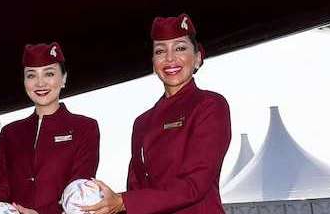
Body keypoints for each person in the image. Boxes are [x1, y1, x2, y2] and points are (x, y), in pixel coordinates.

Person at [82, 15, 231, 214]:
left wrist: (123, 202)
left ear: (197, 58)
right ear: (154, 64)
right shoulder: (142, 122)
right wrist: (101, 206)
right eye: (160, 51)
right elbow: (135, 188)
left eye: (180, 48)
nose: (170, 58)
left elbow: (195, 184)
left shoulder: (210, 105)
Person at [0, 43, 100, 214]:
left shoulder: (85, 128)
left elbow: (80, 187)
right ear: (24, 81)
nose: (40, 83)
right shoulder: (9, 134)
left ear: (63, 79)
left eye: (49, 73)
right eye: (31, 75)